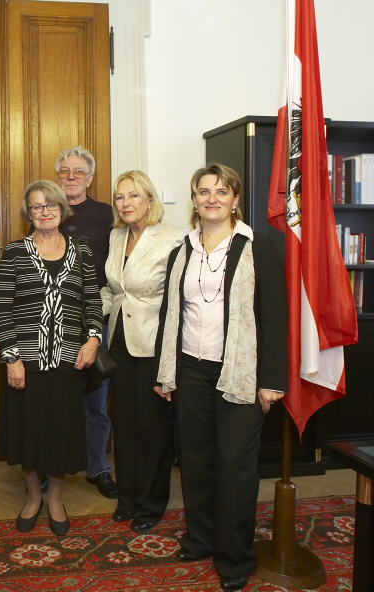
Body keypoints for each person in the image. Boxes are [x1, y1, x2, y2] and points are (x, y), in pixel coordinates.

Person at [154, 163, 286, 592]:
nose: (212, 198)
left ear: (235, 199)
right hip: (190, 367)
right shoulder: (182, 250)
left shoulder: (258, 247)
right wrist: (165, 372)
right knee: (194, 460)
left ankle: (234, 557)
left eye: (222, 191)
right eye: (204, 191)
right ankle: (200, 538)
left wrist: (271, 380)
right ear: (194, 200)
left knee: (235, 466)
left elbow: (273, 316)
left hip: (240, 371)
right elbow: (171, 314)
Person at [0, 180, 101, 536]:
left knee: (60, 433)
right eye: (36, 206)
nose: (44, 212)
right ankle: (32, 498)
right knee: (27, 432)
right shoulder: (14, 252)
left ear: (62, 208)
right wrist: (11, 357)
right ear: (29, 213)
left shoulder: (80, 251)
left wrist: (94, 339)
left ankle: (55, 499)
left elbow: (93, 301)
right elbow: (1, 307)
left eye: (50, 205)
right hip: (26, 363)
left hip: (70, 362)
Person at [101, 170, 184, 533]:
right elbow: (113, 290)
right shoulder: (116, 236)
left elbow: (179, 300)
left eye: (134, 196)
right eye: (120, 197)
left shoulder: (174, 237)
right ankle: (128, 499)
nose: (126, 203)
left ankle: (151, 504)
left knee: (151, 428)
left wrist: (171, 355)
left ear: (149, 200)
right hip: (119, 340)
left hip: (155, 343)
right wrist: (88, 319)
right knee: (125, 423)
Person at [54, 146, 117, 500]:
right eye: (65, 172)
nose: (71, 178)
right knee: (56, 400)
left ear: (90, 178)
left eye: (79, 172)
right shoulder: (47, 208)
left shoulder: (107, 215)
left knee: (96, 399)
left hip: (96, 319)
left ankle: (98, 468)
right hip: (53, 322)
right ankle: (53, 468)